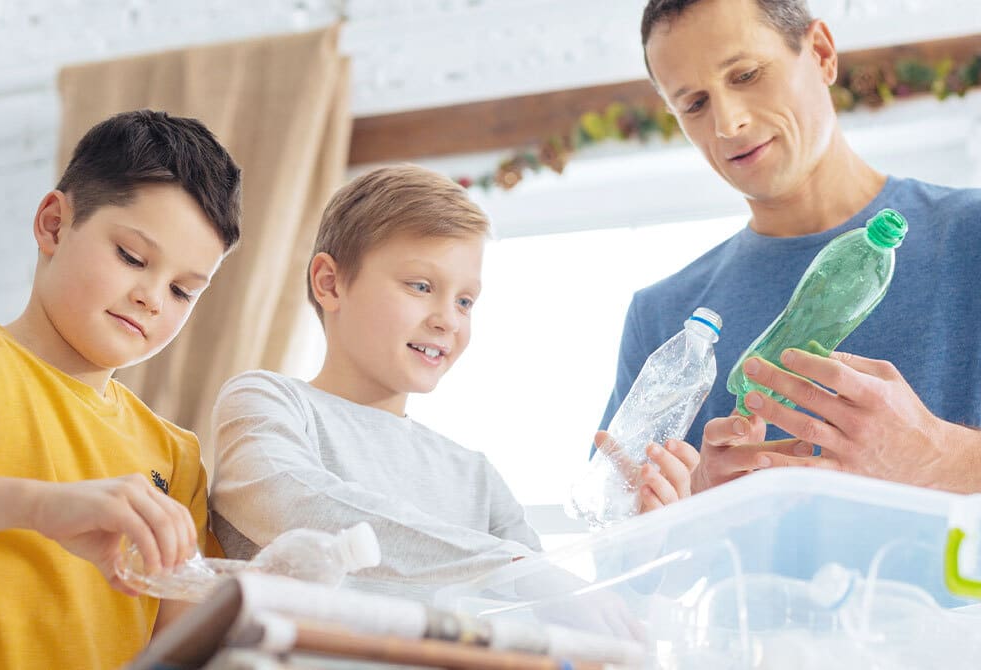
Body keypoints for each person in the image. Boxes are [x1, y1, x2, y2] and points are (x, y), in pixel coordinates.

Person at [601, 0, 981, 520]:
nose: (727, 124)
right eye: (694, 104)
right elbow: (619, 554)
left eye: (745, 75)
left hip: (966, 617)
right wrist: (694, 512)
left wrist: (935, 456)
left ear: (821, 53)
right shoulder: (664, 317)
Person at [0, 109, 243, 669]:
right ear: (54, 224)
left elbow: (181, 650)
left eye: (182, 290)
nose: (153, 297)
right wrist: (36, 505)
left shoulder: (175, 458)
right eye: (132, 257)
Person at [209, 165, 694, 601]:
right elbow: (294, 505)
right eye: (421, 287)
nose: (448, 320)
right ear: (330, 283)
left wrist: (641, 546)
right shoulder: (266, 402)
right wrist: (506, 565)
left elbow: (546, 610)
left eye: (466, 301)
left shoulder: (477, 478)